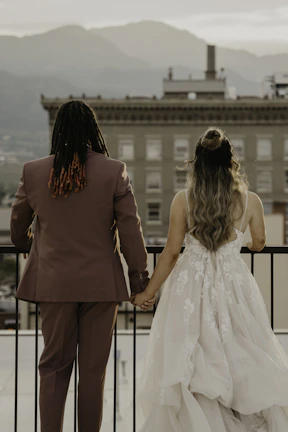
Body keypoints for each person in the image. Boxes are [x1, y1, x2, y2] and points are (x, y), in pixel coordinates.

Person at [10, 100, 156, 432]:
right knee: (93, 373)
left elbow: (17, 228)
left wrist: (33, 246)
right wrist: (139, 281)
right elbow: (131, 230)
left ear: (58, 129)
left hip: (53, 284)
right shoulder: (113, 170)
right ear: (93, 129)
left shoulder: (34, 172)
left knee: (53, 368)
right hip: (101, 286)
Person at [132, 127, 288, 431]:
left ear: (198, 163)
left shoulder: (183, 200)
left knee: (194, 356)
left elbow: (171, 254)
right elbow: (259, 242)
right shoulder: (251, 201)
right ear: (231, 163)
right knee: (240, 350)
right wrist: (245, 244)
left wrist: (147, 293)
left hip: (192, 285)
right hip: (234, 285)